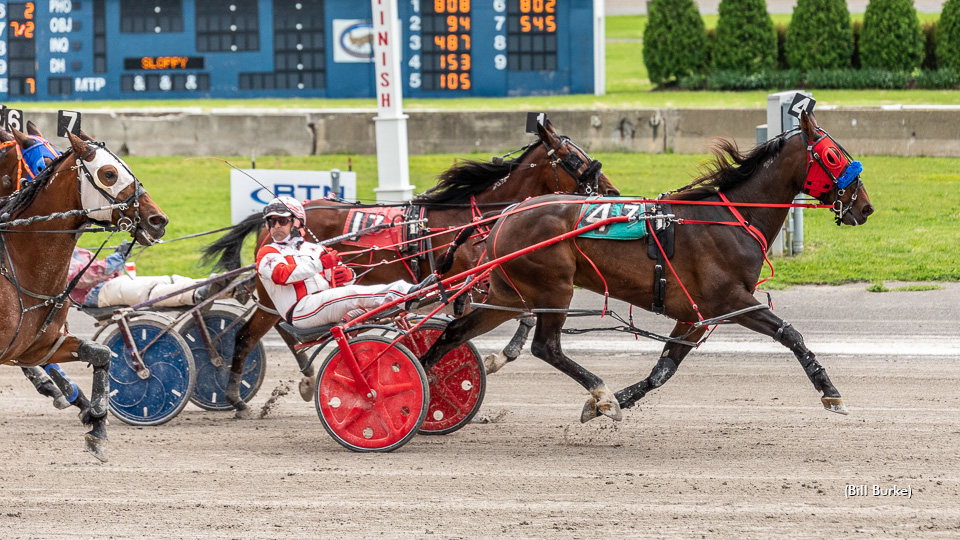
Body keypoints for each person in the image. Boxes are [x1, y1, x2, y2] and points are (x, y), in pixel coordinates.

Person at [255, 196, 437, 329]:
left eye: (282, 220)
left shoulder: (313, 249)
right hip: (301, 312)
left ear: (297, 222)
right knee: (352, 293)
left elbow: (337, 274)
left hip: (323, 305)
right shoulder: (268, 253)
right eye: (272, 221)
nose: (276, 225)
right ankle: (408, 294)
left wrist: (347, 275)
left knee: (372, 302)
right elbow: (283, 275)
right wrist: (321, 264)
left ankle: (415, 298)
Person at [68, 242, 234, 308]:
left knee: (169, 280)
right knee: (150, 291)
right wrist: (117, 257)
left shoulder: (73, 249)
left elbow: (99, 271)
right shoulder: (57, 256)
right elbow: (80, 278)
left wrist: (119, 257)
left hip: (112, 284)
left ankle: (226, 288)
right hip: (95, 294)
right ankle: (197, 293)